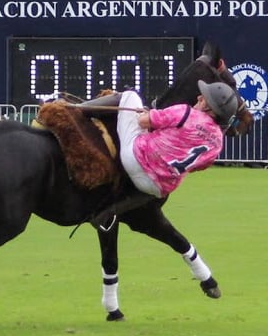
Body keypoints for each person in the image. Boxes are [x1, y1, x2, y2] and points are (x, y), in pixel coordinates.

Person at [91, 80, 238, 232]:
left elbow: (143, 122)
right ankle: (112, 211)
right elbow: (195, 167)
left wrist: (144, 114)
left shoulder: (186, 112)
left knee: (130, 95)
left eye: (205, 98)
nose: (200, 97)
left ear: (212, 109)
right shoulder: (217, 145)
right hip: (156, 188)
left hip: (135, 160)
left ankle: (77, 108)